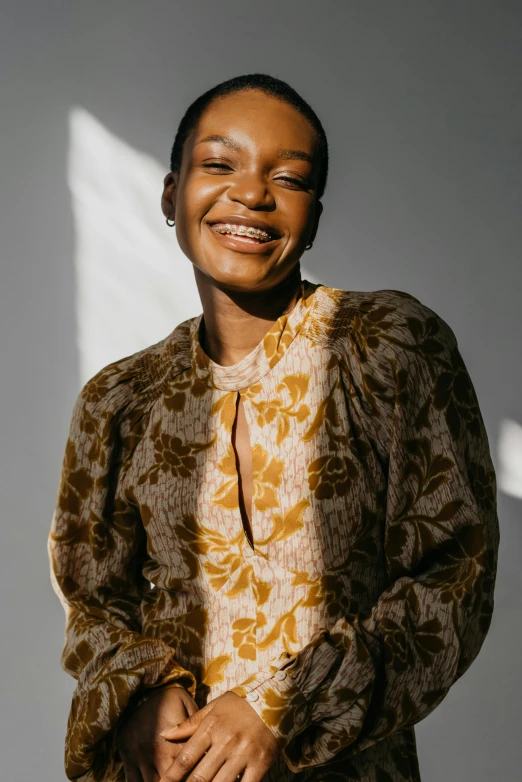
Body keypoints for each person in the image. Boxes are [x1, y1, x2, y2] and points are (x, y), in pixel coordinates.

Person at [48, 73, 500, 782]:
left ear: (313, 217)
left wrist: (281, 709)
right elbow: (92, 600)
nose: (252, 194)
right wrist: (140, 695)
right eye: (220, 164)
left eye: (287, 178)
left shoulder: (389, 345)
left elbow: (454, 576)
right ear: (172, 195)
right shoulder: (117, 398)